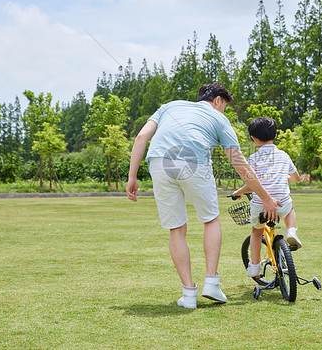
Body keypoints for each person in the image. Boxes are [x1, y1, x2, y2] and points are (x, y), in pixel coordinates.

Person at [126, 83, 281, 309]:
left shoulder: (168, 107)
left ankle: (188, 295)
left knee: (177, 229)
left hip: (159, 162)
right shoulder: (218, 118)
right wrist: (266, 197)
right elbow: (239, 163)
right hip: (194, 161)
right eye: (225, 106)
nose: (223, 111)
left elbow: (141, 137)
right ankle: (211, 283)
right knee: (210, 219)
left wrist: (132, 176)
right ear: (218, 100)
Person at [232, 117, 302, 278]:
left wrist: (239, 192)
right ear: (276, 135)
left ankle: (255, 267)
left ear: (252, 138)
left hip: (261, 205)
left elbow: (251, 184)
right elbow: (296, 177)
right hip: (282, 203)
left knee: (256, 232)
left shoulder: (253, 159)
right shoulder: (284, 155)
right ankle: (290, 230)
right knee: (290, 209)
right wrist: (283, 178)